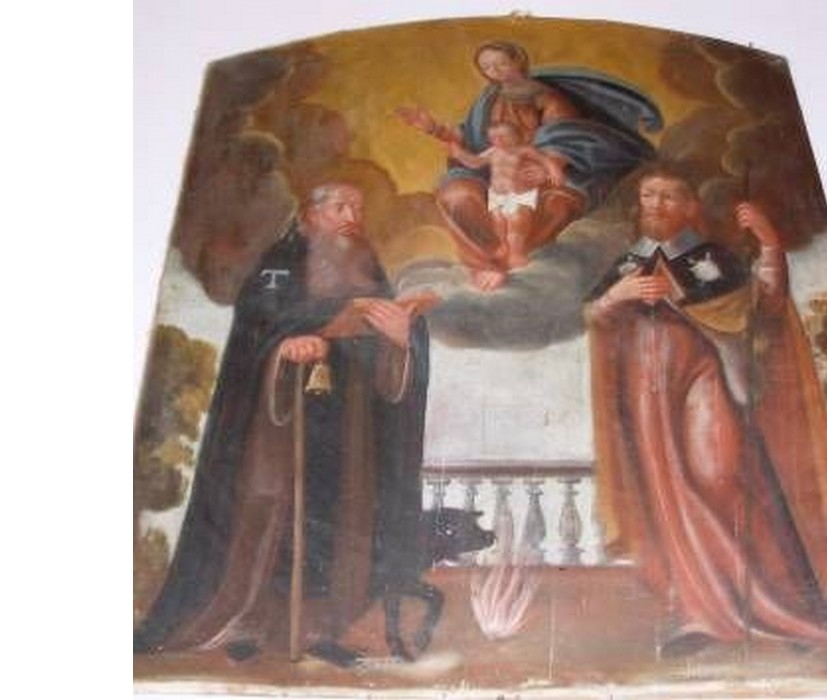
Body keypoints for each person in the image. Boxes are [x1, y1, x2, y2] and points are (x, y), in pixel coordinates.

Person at [133, 182, 434, 666]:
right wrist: (285, 347)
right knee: (275, 523)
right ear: (308, 217)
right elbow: (259, 331)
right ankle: (256, 622)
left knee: (338, 525)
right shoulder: (275, 269)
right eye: (339, 206)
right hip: (278, 427)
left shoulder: (367, 270)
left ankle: (319, 627)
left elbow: (387, 360)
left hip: (350, 428)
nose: (351, 216)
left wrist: (402, 339)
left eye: (357, 207)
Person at [585, 165, 827, 654]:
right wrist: (617, 295)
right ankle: (702, 613)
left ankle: (778, 604)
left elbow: (767, 307)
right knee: (670, 491)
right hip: (649, 396)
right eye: (649, 195)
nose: (655, 205)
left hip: (707, 378)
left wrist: (770, 244)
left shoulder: (711, 258)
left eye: (668, 196)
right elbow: (596, 316)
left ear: (691, 207)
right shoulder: (630, 263)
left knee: (719, 475)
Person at [397, 40, 662, 290]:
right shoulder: (488, 100)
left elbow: (565, 134)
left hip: (543, 174)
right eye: (487, 67)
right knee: (456, 194)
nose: (495, 71)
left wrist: (550, 165)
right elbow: (470, 138)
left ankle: (514, 264)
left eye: (501, 63)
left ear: (518, 61)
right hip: (495, 175)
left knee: (555, 205)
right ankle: (489, 262)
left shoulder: (547, 97)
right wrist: (434, 129)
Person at [443, 121, 566, 270]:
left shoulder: (523, 150)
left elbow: (544, 160)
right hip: (497, 196)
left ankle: (515, 252)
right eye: (494, 138)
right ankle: (503, 246)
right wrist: (460, 154)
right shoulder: (493, 152)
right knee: (498, 222)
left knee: (517, 222)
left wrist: (553, 169)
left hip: (519, 194)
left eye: (503, 136)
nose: (498, 141)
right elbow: (475, 162)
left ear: (515, 136)